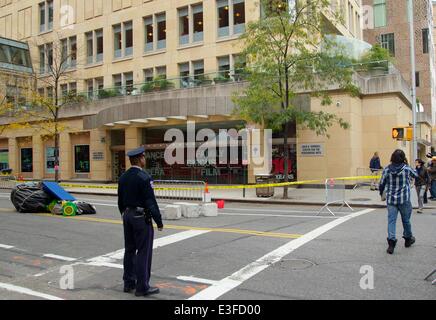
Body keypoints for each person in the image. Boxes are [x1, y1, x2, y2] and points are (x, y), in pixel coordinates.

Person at [117, 146, 164, 296]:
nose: (145, 160)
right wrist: (159, 221)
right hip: (140, 217)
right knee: (144, 251)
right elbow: (150, 201)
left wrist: (124, 214)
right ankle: (142, 286)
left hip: (127, 215)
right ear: (140, 159)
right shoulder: (144, 177)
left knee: (129, 250)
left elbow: (120, 200)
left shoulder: (123, 177)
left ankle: (128, 283)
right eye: (144, 157)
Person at [379, 149, 418, 254]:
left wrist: (381, 193)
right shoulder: (406, 169)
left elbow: (381, 183)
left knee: (391, 221)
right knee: (406, 220)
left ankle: (391, 243)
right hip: (404, 199)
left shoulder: (387, 170)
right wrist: (407, 164)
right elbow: (416, 175)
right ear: (403, 158)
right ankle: (408, 239)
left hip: (391, 200)